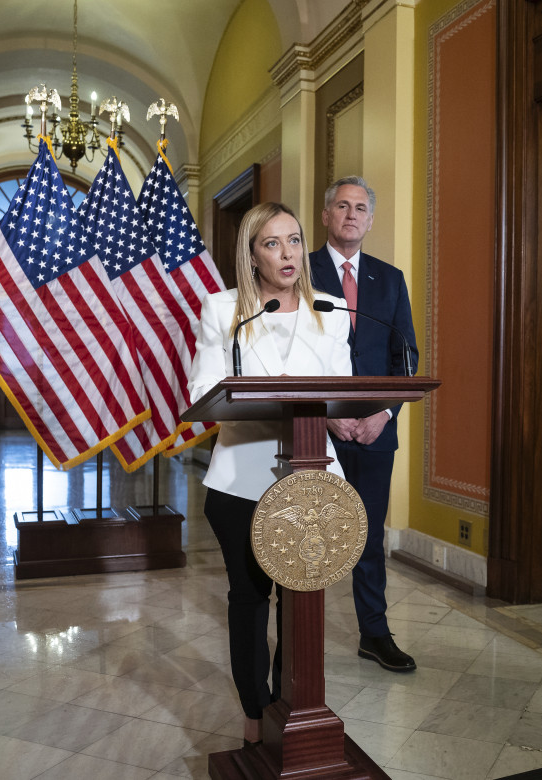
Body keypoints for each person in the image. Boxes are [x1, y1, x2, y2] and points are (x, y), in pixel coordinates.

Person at [187, 202, 352, 745]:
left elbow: (344, 393)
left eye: (295, 240)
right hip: (242, 480)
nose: (287, 253)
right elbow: (201, 395)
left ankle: (294, 709)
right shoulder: (222, 309)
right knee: (251, 600)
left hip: (314, 481)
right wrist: (271, 391)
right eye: (272, 243)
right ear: (251, 254)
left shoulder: (332, 308)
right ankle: (254, 713)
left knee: (302, 604)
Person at [309, 176, 419, 673]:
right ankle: (300, 638)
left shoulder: (389, 279)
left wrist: (384, 413)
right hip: (314, 432)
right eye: (342, 206)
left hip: (376, 432)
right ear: (326, 215)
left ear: (370, 221)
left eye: (360, 208)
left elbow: (406, 357)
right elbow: (291, 358)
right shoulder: (299, 271)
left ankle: (374, 634)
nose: (351, 214)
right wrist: (330, 417)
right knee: (307, 531)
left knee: (369, 537)